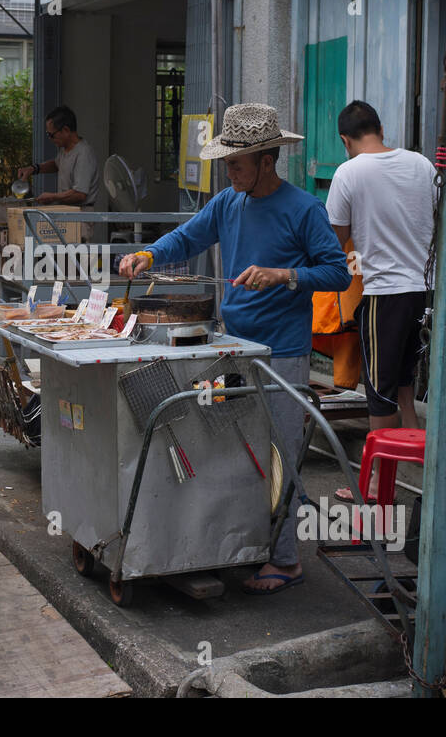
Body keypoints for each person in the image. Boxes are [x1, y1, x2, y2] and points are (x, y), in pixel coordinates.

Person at [118, 103, 351, 596]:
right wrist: (148, 253)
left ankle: (286, 560)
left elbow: (337, 272)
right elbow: (188, 237)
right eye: (227, 163)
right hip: (234, 347)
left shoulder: (304, 209)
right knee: (240, 453)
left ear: (267, 161)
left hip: (282, 353)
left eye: (238, 163)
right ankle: (245, 544)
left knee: (281, 453)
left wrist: (284, 275)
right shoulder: (228, 202)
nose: (230, 171)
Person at [326, 101, 437, 496]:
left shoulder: (348, 172)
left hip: (384, 292)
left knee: (379, 388)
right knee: (405, 379)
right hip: (424, 289)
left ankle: (377, 482)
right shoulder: (422, 165)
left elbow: (334, 240)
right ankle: (427, 469)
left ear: (345, 139)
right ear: (380, 127)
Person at [15, 105, 102, 212]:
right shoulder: (65, 150)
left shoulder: (83, 154)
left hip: (81, 215)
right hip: (67, 212)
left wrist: (53, 197)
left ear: (65, 130)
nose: (50, 139)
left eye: (51, 135)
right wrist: (34, 169)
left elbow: (79, 194)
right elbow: (57, 165)